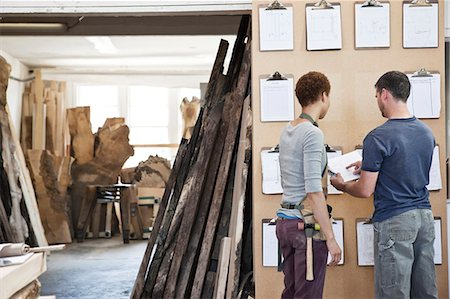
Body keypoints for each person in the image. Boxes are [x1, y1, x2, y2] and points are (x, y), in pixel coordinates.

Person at [330, 71, 438, 299]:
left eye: (377, 95)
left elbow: (364, 190)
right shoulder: (426, 133)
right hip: (424, 219)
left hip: (395, 220)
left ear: (385, 94)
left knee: (393, 293)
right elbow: (406, 167)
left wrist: (342, 186)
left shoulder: (378, 137)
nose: (377, 100)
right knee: (425, 291)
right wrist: (369, 165)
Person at [276, 71, 341, 299]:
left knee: (292, 293)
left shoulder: (288, 130)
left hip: (286, 223)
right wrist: (331, 239)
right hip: (307, 228)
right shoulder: (312, 134)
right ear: (323, 96)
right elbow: (313, 191)